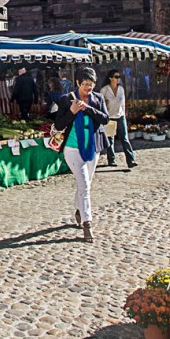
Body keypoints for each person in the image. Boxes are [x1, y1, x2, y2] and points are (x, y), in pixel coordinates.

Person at [52, 67, 110, 244]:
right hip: (72, 148)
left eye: (91, 85)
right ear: (77, 83)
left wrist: (89, 109)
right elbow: (59, 124)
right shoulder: (65, 99)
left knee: (86, 183)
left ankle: (79, 210)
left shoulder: (98, 98)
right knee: (84, 185)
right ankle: (87, 223)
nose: (88, 88)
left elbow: (105, 119)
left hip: (92, 147)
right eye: (85, 84)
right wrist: (72, 111)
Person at [99, 69, 137, 169]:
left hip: (120, 116)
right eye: (116, 77)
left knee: (125, 138)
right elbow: (101, 104)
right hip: (109, 117)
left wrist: (124, 114)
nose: (118, 79)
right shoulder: (104, 90)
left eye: (119, 77)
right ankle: (111, 159)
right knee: (110, 139)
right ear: (110, 78)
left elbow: (123, 103)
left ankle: (131, 160)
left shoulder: (121, 89)